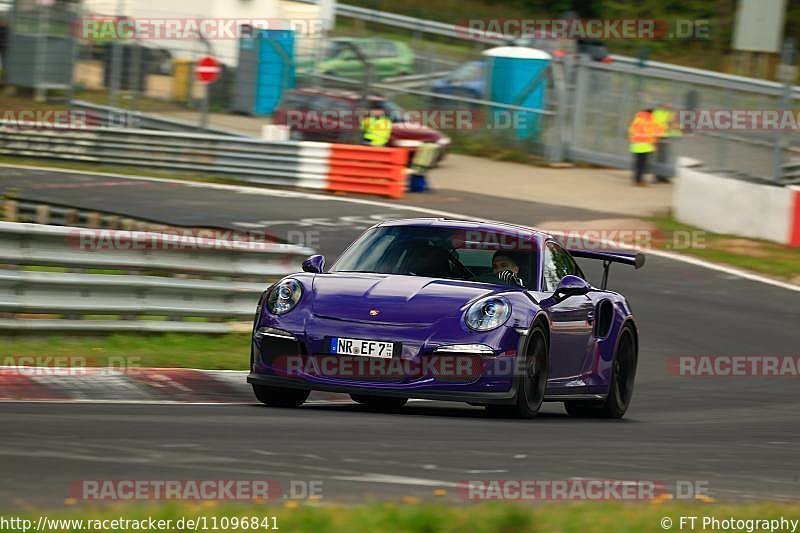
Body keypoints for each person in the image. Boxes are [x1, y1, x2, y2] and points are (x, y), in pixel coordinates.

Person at [628, 108, 664, 186]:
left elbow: (631, 130)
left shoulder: (637, 120)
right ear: (651, 113)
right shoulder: (651, 121)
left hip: (636, 145)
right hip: (646, 146)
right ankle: (640, 181)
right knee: (643, 165)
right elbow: (659, 131)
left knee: (638, 164)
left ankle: (636, 180)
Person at [652, 104, 682, 183]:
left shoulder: (670, 114)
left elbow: (673, 125)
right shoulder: (657, 113)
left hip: (666, 137)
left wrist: (678, 132)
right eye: (667, 105)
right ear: (662, 105)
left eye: (669, 105)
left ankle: (663, 176)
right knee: (658, 158)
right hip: (658, 136)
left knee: (665, 157)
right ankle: (656, 176)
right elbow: (659, 125)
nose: (669, 107)